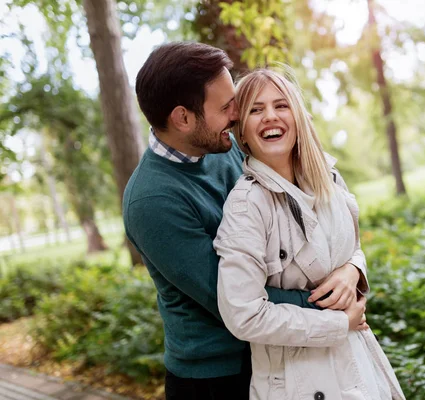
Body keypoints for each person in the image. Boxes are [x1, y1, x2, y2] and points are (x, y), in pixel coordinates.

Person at [123, 42, 367, 400]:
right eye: (226, 107)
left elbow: (307, 231)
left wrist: (351, 270)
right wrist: (334, 308)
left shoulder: (223, 146)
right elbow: (228, 297)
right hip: (216, 376)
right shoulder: (151, 202)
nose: (237, 116)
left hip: (279, 353)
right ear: (183, 118)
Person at [214, 68, 406, 399]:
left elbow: (352, 247)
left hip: (356, 363)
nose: (270, 117)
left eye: (281, 105)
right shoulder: (247, 204)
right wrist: (337, 324)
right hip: (297, 381)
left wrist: (352, 270)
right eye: (255, 110)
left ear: (298, 116)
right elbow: (243, 315)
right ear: (241, 132)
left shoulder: (328, 179)